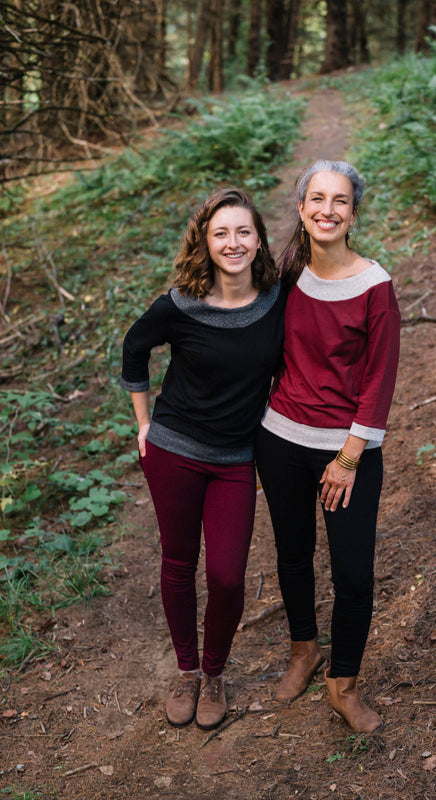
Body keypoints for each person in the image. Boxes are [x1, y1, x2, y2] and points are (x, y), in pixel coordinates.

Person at [120, 187, 285, 731]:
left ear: (258, 238)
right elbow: (134, 346)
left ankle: (216, 672)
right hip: (174, 452)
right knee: (179, 562)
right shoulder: (181, 304)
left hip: (236, 459)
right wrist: (144, 422)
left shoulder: (276, 299)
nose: (232, 242)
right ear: (205, 242)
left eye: (242, 231)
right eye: (221, 233)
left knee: (229, 576)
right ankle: (187, 671)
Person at [255, 160, 400, 733]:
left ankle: (344, 684)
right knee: (291, 553)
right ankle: (303, 651)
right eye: (317, 198)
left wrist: (347, 456)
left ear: (353, 213)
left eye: (340, 201)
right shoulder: (288, 272)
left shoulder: (374, 286)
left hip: (348, 449)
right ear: (301, 208)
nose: (327, 210)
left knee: (355, 573)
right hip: (281, 439)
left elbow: (379, 381)